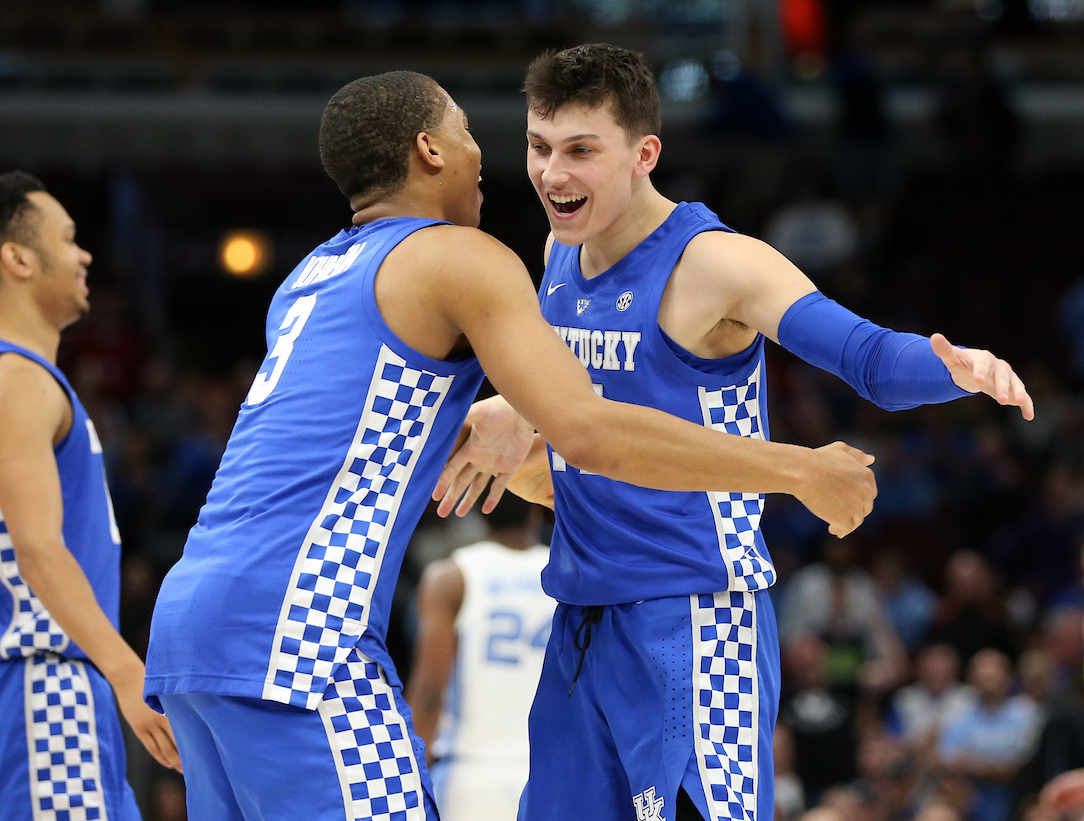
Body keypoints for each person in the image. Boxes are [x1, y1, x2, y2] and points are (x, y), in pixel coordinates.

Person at [140, 70, 881, 821]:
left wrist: (500, 424)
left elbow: (360, 437)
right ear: (429, 149)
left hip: (188, 627)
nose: (483, 153)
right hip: (300, 636)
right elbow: (589, 431)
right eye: (465, 129)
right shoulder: (460, 255)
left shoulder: (309, 277)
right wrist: (799, 467)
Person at [437, 44, 1034, 821]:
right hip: (581, 620)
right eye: (539, 147)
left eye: (582, 151)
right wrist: (509, 419)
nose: (554, 174)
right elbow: (588, 414)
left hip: (692, 617)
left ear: (644, 152)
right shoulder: (559, 253)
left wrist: (954, 365)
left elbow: (866, 358)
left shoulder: (715, 264)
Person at [0, 171, 179, 820]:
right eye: (68, 239)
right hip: (37, 676)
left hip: (32, 680)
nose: (85, 254)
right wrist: (128, 671)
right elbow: (38, 550)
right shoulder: (10, 379)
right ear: (17, 257)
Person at [407, 493, 556, 821]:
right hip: (551, 773)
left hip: (473, 776)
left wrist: (410, 777)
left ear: (477, 510)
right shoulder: (566, 577)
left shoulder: (451, 577)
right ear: (536, 509)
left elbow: (430, 692)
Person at [938, 649, 1041, 821]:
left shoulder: (1026, 713)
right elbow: (949, 763)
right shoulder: (958, 716)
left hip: (1018, 800)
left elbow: (1024, 766)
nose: (988, 683)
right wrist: (998, 766)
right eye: (983, 677)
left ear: (1008, 677)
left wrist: (976, 766)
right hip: (969, 804)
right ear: (972, 680)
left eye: (993, 677)